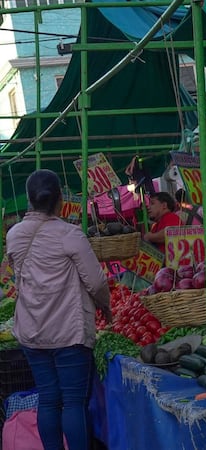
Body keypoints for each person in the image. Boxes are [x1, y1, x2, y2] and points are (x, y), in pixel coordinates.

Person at [6, 169, 111, 450]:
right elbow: (96, 282)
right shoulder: (70, 234)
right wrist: (105, 306)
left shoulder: (14, 235)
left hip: (32, 331)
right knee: (73, 402)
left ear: (30, 200)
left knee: (49, 398)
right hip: (68, 333)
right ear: (60, 200)